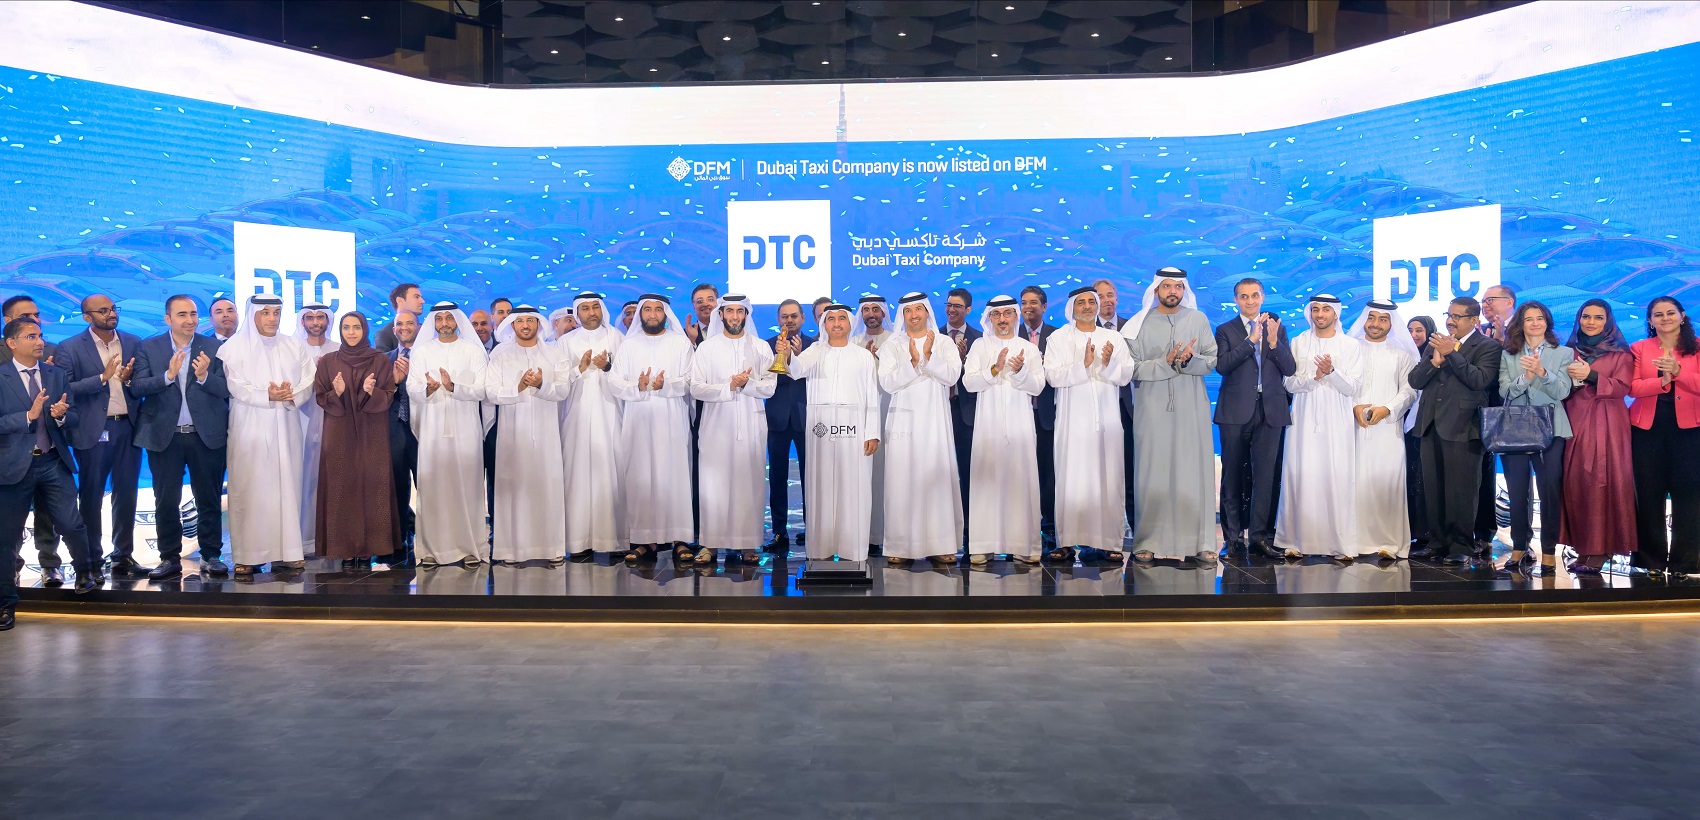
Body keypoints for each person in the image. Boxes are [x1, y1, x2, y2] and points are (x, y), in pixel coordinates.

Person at [1, 317, 99, 631]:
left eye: (40, 335)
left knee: (71, 522)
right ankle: (5, 603)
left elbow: (73, 416)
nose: (40, 341)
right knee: (6, 537)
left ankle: (84, 573)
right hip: (13, 466)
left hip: (53, 460)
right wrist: (26, 416)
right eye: (31, 336)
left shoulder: (56, 374)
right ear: (12, 343)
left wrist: (61, 416)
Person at [1120, 268, 1219, 564]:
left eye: (1178, 286)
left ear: (1184, 290)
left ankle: (1202, 543)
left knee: (1193, 473)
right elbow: (1132, 369)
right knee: (1153, 474)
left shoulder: (1198, 319)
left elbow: (1211, 360)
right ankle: (1147, 541)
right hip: (1152, 409)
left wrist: (1189, 360)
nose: (1172, 291)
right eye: (1166, 286)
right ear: (1156, 290)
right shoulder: (1139, 324)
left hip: (1192, 407)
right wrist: (1164, 362)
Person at [129, 295, 230, 580]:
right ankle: (169, 558)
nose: (190, 320)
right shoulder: (148, 347)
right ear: (168, 319)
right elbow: (137, 387)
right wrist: (168, 376)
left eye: (193, 314)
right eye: (182, 314)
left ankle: (211, 555)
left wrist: (204, 376)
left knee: (208, 498)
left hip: (205, 435)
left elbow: (226, 389)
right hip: (165, 435)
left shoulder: (214, 347)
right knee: (166, 500)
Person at [218, 296, 315, 577]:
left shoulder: (294, 345)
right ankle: (248, 556)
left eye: (276, 313)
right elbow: (235, 384)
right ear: (253, 315)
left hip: (287, 426)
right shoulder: (232, 348)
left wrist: (291, 393)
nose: (272, 318)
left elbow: (309, 378)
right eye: (266, 313)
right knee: (251, 490)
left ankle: (287, 553)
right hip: (249, 429)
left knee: (287, 489)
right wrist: (267, 395)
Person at [1408, 296, 1503, 566]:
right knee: (1434, 488)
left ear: (1473, 320)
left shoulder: (1487, 346)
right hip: (1430, 423)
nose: (1450, 321)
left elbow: (1480, 380)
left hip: (1464, 426)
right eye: (1448, 315)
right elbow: (1415, 380)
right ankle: (1437, 542)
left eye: (1457, 316)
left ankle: (1461, 545)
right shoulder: (1435, 343)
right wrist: (1434, 362)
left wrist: (1452, 354)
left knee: (1461, 490)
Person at [57, 295, 146, 577]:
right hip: (93, 430)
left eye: (113, 309)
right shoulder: (70, 347)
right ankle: (91, 560)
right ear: (87, 317)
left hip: (127, 427)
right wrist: (101, 378)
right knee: (91, 496)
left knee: (127, 494)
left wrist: (130, 380)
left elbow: (142, 384)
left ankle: (123, 556)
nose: (111, 314)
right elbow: (65, 389)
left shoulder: (133, 342)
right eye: (104, 310)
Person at [1045, 286, 1134, 563]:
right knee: (1072, 480)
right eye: (1081, 302)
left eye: (1091, 302)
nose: (1087, 306)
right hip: (1072, 422)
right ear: (1072, 308)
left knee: (1109, 479)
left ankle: (1108, 542)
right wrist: (1083, 365)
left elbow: (1126, 375)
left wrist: (1107, 364)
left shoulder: (1114, 338)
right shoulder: (1058, 338)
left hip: (1107, 421)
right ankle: (1066, 542)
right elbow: (1052, 376)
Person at [786, 303, 881, 562]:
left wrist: (872, 432)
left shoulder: (862, 356)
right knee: (822, 486)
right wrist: (787, 355)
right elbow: (796, 370)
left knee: (854, 487)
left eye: (841, 319)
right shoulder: (815, 351)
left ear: (850, 323)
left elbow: (871, 395)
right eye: (831, 319)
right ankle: (821, 549)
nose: (836, 324)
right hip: (821, 430)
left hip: (855, 430)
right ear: (823, 324)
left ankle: (853, 549)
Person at [877, 292, 964, 567]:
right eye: (908, 310)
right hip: (903, 423)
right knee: (902, 479)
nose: (914, 315)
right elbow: (887, 383)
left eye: (918, 309)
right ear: (902, 315)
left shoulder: (944, 342)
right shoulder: (892, 346)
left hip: (936, 422)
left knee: (935, 478)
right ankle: (901, 546)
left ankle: (940, 544)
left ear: (927, 312)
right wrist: (914, 363)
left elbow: (952, 376)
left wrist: (928, 357)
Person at [689, 294, 777, 564]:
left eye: (740, 311)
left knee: (749, 484)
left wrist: (746, 384)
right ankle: (710, 544)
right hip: (715, 427)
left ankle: (748, 543)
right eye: (730, 312)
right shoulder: (707, 348)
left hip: (751, 426)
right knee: (713, 486)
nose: (735, 316)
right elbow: (696, 388)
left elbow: (770, 387)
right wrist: (729, 386)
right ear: (721, 315)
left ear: (746, 315)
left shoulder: (761, 347)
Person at [1276, 295, 1365, 559]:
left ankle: (1340, 544)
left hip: (1337, 420)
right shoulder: (1299, 341)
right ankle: (1296, 540)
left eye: (1326, 310)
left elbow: (1353, 388)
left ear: (1335, 313)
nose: (1320, 314)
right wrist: (1315, 377)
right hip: (1303, 419)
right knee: (1301, 474)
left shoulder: (1350, 345)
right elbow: (1288, 383)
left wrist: (1331, 373)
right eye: (1315, 309)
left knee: (1335, 476)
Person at [1213, 278, 1295, 559]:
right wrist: (1251, 341)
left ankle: (1260, 537)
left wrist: (1273, 342)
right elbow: (1223, 365)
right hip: (1235, 410)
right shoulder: (1225, 329)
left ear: (1263, 297)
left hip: (1270, 409)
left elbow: (1289, 368)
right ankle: (1233, 538)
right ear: (1236, 300)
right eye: (1244, 296)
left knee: (1265, 476)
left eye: (1255, 295)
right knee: (1232, 475)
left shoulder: (1277, 327)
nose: (1250, 301)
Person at [610, 294, 695, 563]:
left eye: (658, 309)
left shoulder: (680, 343)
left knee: (675, 477)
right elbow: (614, 383)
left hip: (672, 420)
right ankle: (645, 541)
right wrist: (637, 385)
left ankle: (680, 539)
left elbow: (691, 381)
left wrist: (665, 385)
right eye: (647, 309)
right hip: (639, 420)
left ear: (665, 313)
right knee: (641, 477)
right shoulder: (628, 345)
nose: (652, 314)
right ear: (641, 314)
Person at [961, 295, 1045, 564]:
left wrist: (1019, 372)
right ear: (989, 318)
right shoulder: (979, 345)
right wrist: (996, 369)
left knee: (1021, 483)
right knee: (986, 482)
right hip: (987, 426)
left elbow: (1038, 387)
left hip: (1020, 426)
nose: (1002, 319)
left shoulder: (1028, 348)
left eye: (1007, 313)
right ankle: (983, 545)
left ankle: (1023, 545)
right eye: (996, 314)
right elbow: (969, 383)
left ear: (1015, 316)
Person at [313, 312, 399, 567]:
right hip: (339, 431)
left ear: (365, 330)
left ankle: (369, 548)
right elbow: (320, 396)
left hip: (372, 430)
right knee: (342, 484)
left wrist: (372, 393)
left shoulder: (379, 360)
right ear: (340, 331)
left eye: (357, 327)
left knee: (372, 484)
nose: (351, 332)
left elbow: (389, 394)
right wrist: (336, 393)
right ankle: (344, 547)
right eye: (346, 327)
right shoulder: (328, 361)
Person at [487, 306, 572, 564]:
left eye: (530, 321)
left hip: (547, 436)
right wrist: (519, 387)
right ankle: (512, 551)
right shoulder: (500, 354)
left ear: (538, 324)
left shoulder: (554, 353)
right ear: (512, 325)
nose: (525, 325)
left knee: (547, 487)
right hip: (512, 435)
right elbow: (491, 392)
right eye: (520, 321)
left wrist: (541, 384)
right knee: (515, 489)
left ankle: (552, 548)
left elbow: (563, 390)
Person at [407, 302, 490, 567]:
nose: (444, 323)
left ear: (457, 321)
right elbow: (411, 388)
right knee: (433, 487)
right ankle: (431, 550)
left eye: (449, 318)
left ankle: (470, 548)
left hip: (466, 428)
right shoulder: (422, 351)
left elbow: (482, 390)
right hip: (432, 430)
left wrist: (453, 387)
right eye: (439, 318)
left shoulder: (473, 350)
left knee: (467, 486)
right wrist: (428, 389)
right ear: (434, 322)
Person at [1497, 300, 1575, 574]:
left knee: (1549, 490)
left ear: (1547, 322)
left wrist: (1542, 373)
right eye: (1529, 319)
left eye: (1539, 318)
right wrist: (1525, 378)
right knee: (1517, 491)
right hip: (1515, 430)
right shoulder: (1509, 354)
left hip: (1551, 428)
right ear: (1520, 324)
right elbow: (1504, 391)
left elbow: (1563, 391)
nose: (1535, 323)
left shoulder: (1563, 352)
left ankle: (1549, 550)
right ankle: (1520, 545)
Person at [1558, 299, 1634, 574]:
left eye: (1598, 317)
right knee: (1576, 483)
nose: (1591, 322)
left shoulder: (1620, 353)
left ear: (1608, 321)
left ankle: (1601, 549)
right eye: (1586, 317)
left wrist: (1590, 375)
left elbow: (1622, 387)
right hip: (1573, 420)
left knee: (1602, 482)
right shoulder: (1568, 351)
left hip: (1606, 422)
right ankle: (1584, 546)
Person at [1629, 296, 1700, 578]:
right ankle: (1650, 561)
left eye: (1671, 313)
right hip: (1647, 430)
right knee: (1648, 494)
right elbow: (1633, 388)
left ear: (1682, 316)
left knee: (1690, 495)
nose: (1665, 318)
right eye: (1658, 314)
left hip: (1690, 431)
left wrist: (1679, 372)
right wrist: (1662, 381)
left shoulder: (1697, 347)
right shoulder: (1639, 348)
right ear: (1650, 320)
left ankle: (1687, 563)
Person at [1348, 300, 1419, 559]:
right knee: (1353, 483)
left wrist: (1387, 409)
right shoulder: (1349, 349)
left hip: (1388, 430)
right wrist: (1353, 407)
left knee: (1386, 484)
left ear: (1391, 323)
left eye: (1383, 319)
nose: (1376, 324)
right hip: (1351, 428)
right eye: (1372, 318)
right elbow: (1340, 384)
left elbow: (1410, 391)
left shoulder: (1402, 355)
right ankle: (1349, 541)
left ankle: (1388, 542)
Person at [0, 296, 64, 582]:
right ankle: (10, 568)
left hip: (47, 448)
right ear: (8, 323)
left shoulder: (50, 351)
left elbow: (65, 393)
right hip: (10, 450)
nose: (34, 321)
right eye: (26, 316)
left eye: (37, 315)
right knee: (10, 519)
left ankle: (50, 563)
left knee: (48, 511)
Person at [559, 292, 627, 558]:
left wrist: (608, 367)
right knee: (577, 475)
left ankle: (614, 540)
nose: (591, 313)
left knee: (611, 473)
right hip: (575, 417)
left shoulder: (617, 338)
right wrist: (579, 368)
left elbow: (627, 376)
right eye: (585, 308)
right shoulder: (565, 342)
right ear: (577, 313)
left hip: (610, 415)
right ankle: (578, 542)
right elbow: (557, 381)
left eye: (595, 307)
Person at [764, 299, 813, 553]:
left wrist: (799, 357)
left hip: (807, 419)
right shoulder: (767, 346)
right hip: (777, 418)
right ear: (778, 319)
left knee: (810, 477)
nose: (789, 320)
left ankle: (813, 529)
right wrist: (779, 355)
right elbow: (764, 378)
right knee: (777, 477)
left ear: (803, 318)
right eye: (785, 316)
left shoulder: (815, 346)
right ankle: (779, 531)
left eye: (794, 316)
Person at [1093, 278, 1139, 538]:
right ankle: (1100, 529)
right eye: (1100, 296)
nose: (1106, 300)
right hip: (1096, 409)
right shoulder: (1085, 330)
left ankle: (1135, 526)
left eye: (1110, 295)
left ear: (1117, 298)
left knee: (1129, 468)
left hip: (1127, 407)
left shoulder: (1131, 328)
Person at [1475, 283, 1518, 553]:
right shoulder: (1481, 330)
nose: (1485, 305)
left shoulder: (1525, 328)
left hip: (1516, 412)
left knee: (1518, 478)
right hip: (1483, 409)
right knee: (1482, 473)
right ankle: (1482, 534)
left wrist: (1501, 341)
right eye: (1483, 301)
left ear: (1509, 301)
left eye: (1490, 299)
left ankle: (1522, 541)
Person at [1017, 286, 1058, 544]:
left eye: (1033, 302)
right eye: (1024, 303)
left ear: (1044, 306)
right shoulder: (1011, 335)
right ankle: (1021, 524)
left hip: (1045, 413)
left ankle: (1049, 525)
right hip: (1017, 414)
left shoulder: (1057, 336)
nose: (1028, 307)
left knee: (1047, 471)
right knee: (1020, 470)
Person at [853, 294, 894, 551]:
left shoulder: (895, 341)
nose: (871, 314)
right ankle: (864, 533)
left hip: (890, 412)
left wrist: (879, 359)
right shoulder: (853, 342)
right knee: (864, 473)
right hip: (861, 416)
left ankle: (888, 533)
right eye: (866, 310)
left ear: (883, 313)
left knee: (887, 473)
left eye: (875, 309)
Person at [293, 302, 334, 556]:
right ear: (302, 322)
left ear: (328, 321)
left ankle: (332, 537)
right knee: (302, 479)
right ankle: (302, 539)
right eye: (310, 318)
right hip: (300, 421)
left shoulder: (339, 349)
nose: (315, 322)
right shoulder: (293, 349)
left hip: (333, 421)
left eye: (320, 318)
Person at [940, 288, 979, 539]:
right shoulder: (933, 336)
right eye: (949, 305)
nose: (952, 310)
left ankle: (968, 528)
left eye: (957, 306)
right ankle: (941, 526)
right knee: (939, 469)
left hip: (966, 412)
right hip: (937, 410)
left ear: (968, 309)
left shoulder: (979, 339)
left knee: (966, 470)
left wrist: (963, 362)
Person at [384, 311, 419, 567]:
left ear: (418, 326)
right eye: (399, 324)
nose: (404, 328)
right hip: (393, 429)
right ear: (394, 329)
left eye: (409, 323)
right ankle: (399, 539)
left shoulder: (428, 356)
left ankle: (431, 537)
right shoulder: (384, 359)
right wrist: (394, 383)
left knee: (427, 484)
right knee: (396, 485)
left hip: (422, 429)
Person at [1404, 316, 1438, 550]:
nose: (1414, 335)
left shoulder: (1434, 354)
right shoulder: (1403, 353)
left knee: (1425, 478)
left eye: (1419, 330)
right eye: (1410, 330)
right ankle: (1411, 529)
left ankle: (1428, 531)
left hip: (1428, 424)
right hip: (1405, 424)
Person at [374, 283, 423, 353]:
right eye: (416, 297)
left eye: (410, 323)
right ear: (400, 301)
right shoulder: (384, 334)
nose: (422, 301)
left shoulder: (426, 330)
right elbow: (382, 359)